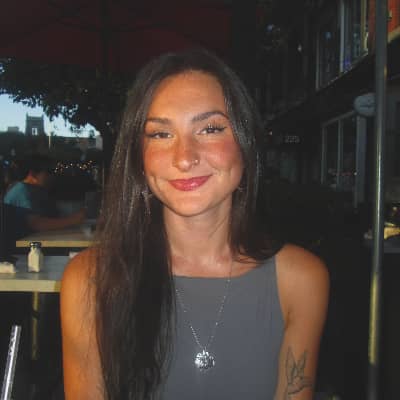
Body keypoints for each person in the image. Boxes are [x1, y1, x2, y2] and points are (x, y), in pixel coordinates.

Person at [61, 48, 329, 400]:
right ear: (139, 158)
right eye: (160, 134)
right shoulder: (90, 281)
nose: (184, 158)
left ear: (246, 144)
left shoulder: (300, 280)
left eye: (210, 129)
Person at [4, 154, 86, 240]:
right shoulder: (22, 191)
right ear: (33, 174)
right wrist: (73, 219)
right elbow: (36, 224)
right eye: (49, 172)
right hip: (24, 246)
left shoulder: (38, 191)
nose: (53, 176)